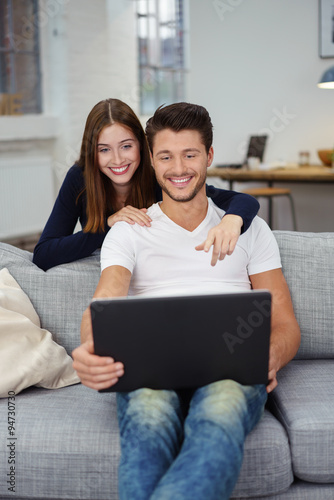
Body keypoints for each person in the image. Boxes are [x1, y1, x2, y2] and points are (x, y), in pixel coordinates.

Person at [72, 102, 300, 500]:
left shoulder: (250, 229)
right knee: (147, 422)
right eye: (166, 156)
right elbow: (105, 299)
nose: (178, 168)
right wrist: (89, 348)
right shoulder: (130, 231)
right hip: (149, 373)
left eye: (190, 154)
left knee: (219, 415)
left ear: (209, 156)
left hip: (231, 374)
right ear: (152, 163)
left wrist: (272, 356)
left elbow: (284, 322)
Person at [33, 98, 260, 271]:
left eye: (126, 146)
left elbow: (241, 200)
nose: (118, 159)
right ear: (92, 153)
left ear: (143, 147)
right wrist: (107, 224)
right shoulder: (80, 178)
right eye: (104, 150)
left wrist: (232, 220)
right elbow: (43, 254)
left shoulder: (159, 176)